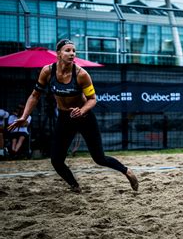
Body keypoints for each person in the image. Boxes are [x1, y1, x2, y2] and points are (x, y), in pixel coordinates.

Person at [8, 39, 138, 193]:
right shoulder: (47, 71)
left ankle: (127, 172)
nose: (72, 54)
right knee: (56, 160)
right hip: (64, 118)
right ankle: (74, 186)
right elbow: (35, 96)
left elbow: (92, 99)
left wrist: (82, 110)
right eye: (67, 50)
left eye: (74, 51)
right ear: (58, 54)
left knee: (99, 159)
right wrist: (24, 116)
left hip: (84, 117)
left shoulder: (81, 74)